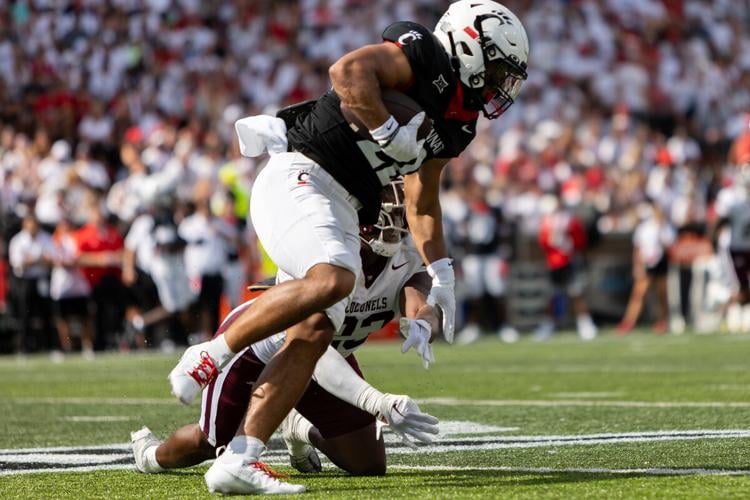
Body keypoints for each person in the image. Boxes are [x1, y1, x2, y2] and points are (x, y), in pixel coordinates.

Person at [168, 1, 528, 494]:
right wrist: (386, 128)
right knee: (335, 278)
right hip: (303, 171)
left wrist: (441, 274)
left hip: (344, 201)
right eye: (499, 69)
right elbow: (348, 71)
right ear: (470, 45)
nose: (499, 85)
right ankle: (209, 354)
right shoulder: (422, 55)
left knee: (317, 329)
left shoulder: (459, 122)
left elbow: (422, 204)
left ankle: (242, 459)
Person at [133, 184, 439, 485]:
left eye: (400, 215)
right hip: (261, 349)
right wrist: (378, 402)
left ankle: (298, 426)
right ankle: (150, 455)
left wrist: (424, 323)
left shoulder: (407, 261)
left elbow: (421, 303)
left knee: (368, 462)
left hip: (326, 359)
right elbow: (308, 345)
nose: (399, 224)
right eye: (390, 215)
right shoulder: (325, 256)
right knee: (211, 442)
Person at [535, 194, 598, 341]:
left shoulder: (570, 220)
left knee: (576, 293)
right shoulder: (546, 222)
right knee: (553, 295)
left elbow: (580, 240)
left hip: (570, 260)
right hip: (554, 263)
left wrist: (568, 238)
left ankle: (585, 324)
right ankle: (547, 325)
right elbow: (543, 242)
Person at [616, 201, 676, 335]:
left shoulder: (666, 227)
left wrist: (662, 235)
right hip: (647, 262)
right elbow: (638, 248)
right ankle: (629, 321)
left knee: (662, 293)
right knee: (639, 293)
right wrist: (638, 265)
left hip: (661, 262)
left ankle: (663, 320)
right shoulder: (645, 227)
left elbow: (670, 247)